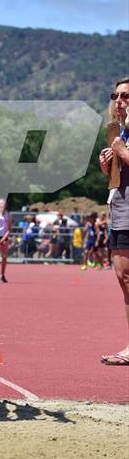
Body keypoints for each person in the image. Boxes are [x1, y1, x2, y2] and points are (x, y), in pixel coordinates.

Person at [99, 77, 129, 365]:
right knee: (123, 278)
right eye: (116, 95)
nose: (119, 101)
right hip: (120, 209)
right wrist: (109, 165)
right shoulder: (118, 131)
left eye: (125, 96)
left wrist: (122, 152)